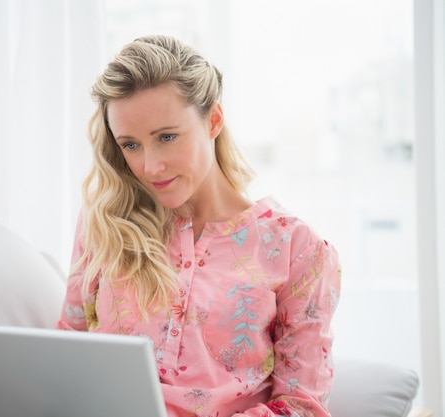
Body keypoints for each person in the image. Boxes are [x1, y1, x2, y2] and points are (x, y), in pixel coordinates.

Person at [57, 34, 341, 417]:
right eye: (130, 145)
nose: (150, 166)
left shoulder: (297, 247)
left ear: (214, 121)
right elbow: (64, 354)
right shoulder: (106, 223)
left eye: (167, 137)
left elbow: (302, 408)